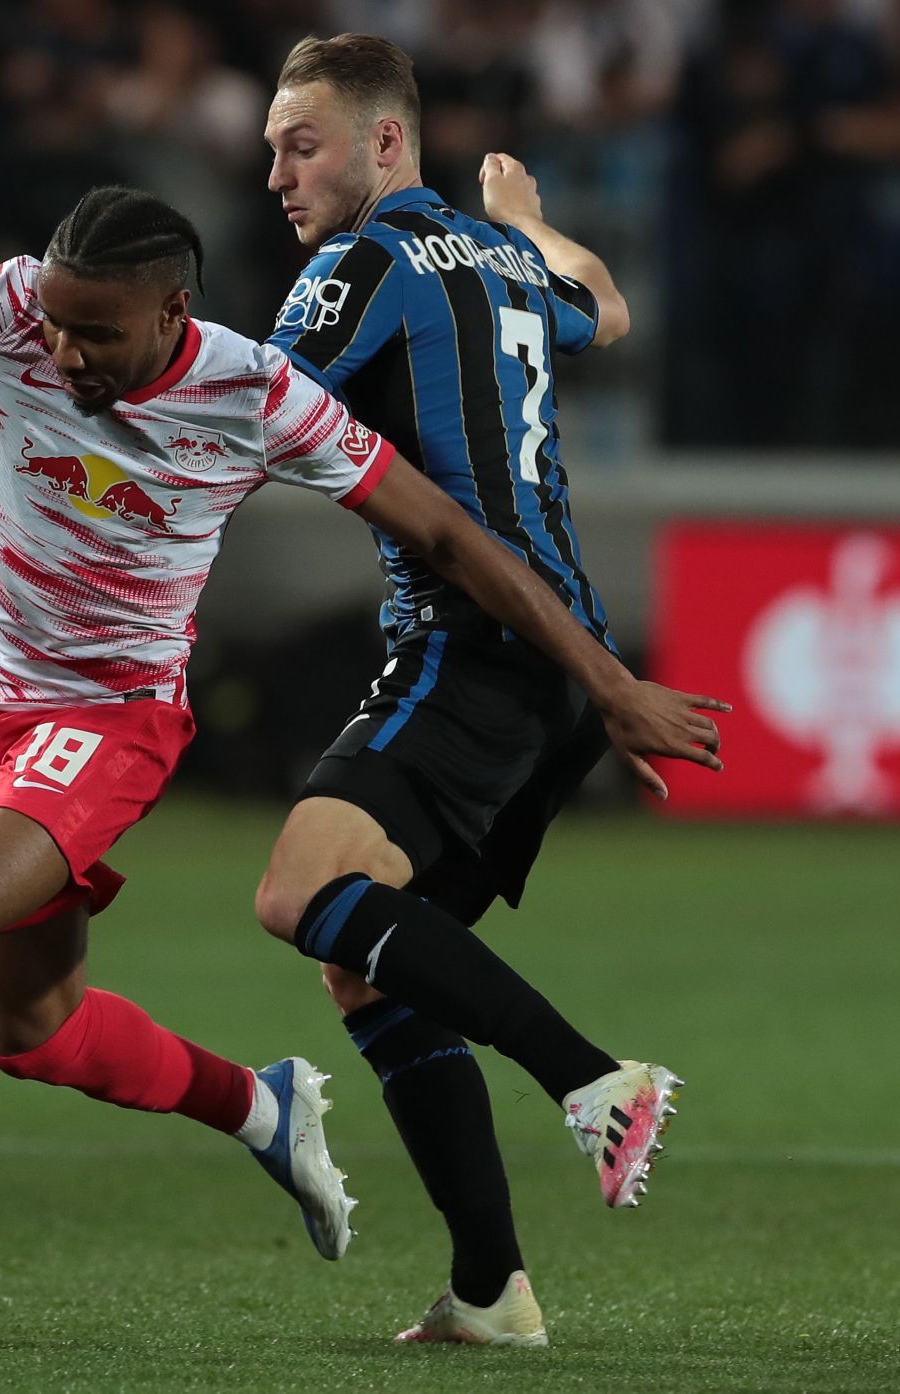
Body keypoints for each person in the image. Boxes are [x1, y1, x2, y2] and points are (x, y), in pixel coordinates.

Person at [0, 185, 723, 1321]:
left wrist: (609, 681)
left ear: (174, 311)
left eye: (98, 332)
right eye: (56, 322)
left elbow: (438, 528)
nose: (66, 350)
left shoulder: (256, 390)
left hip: (113, 719)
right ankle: (262, 1107)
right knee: (30, 1031)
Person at [253, 34, 724, 1347]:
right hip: (558, 659)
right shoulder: (504, 255)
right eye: (271, 151)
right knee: (369, 960)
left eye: (304, 145)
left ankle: (594, 1080)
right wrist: (528, 216)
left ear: (385, 143)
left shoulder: (365, 265)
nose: (279, 177)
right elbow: (608, 308)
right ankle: (489, 1289)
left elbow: (244, 409)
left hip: (477, 641)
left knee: (300, 891)